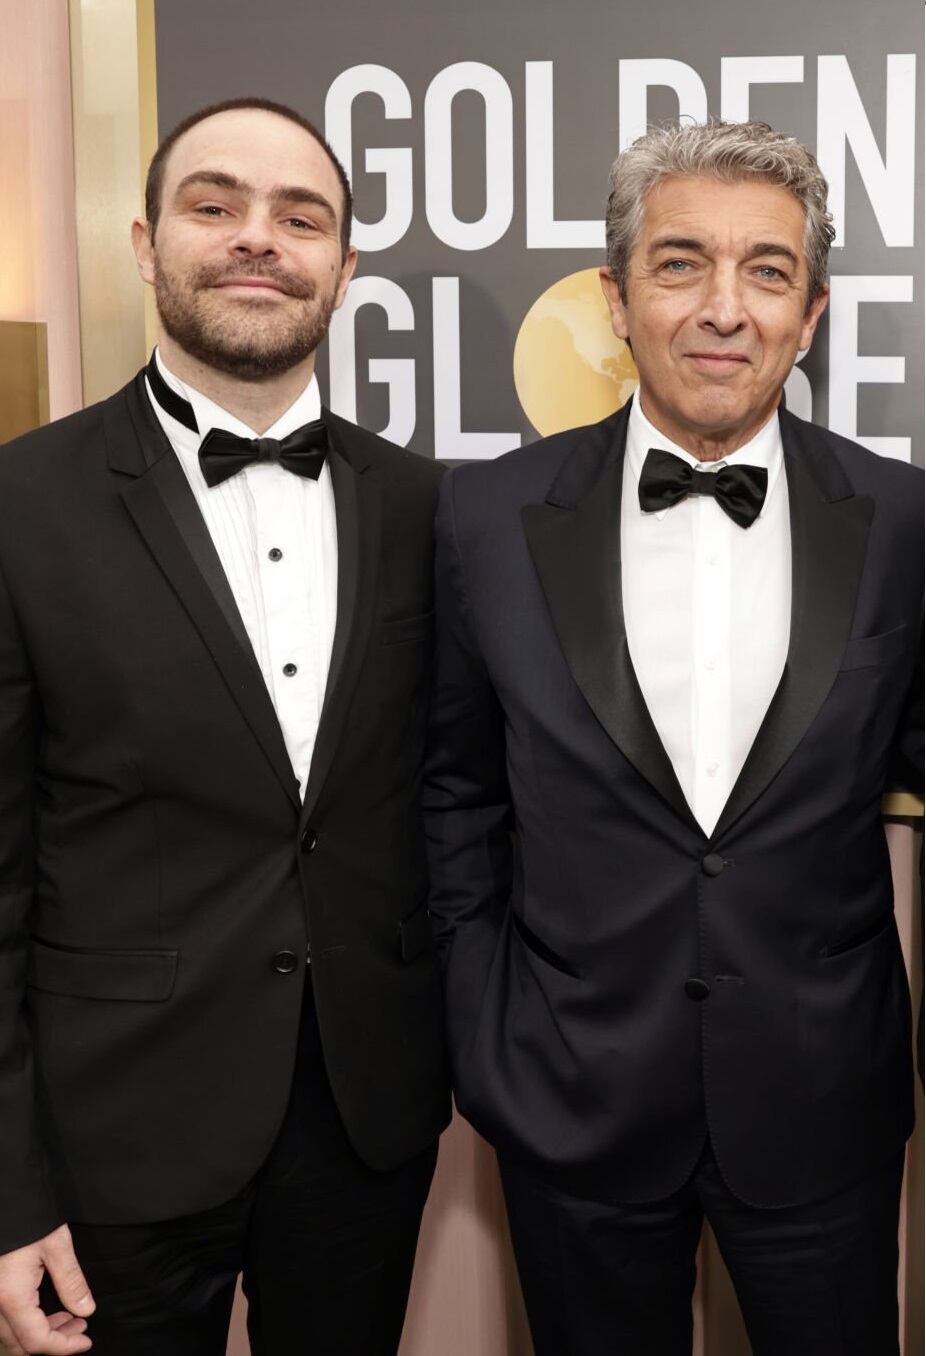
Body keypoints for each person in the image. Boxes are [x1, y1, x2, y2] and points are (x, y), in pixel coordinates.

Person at [424, 119, 922, 1355]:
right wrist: (491, 1039)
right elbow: (453, 796)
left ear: (807, 316)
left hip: (822, 1105)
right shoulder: (485, 515)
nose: (722, 308)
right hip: (569, 1103)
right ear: (614, 299)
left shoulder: (903, 518)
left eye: (765, 272)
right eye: (679, 262)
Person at [0, 97, 449, 1356]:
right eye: (215, 205)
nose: (259, 238)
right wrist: (6, 1188)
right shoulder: (20, 505)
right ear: (146, 243)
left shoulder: (428, 507)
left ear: (343, 268)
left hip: (364, 1114)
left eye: (299, 217)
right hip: (114, 1130)